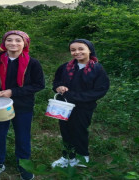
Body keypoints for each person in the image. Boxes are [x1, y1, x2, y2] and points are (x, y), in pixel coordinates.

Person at [0, 30, 45, 180]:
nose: (13, 43)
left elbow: (39, 84)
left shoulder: (32, 63)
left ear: (25, 43)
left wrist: (12, 92)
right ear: (4, 43)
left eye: (18, 40)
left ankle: (23, 166)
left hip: (23, 105)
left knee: (22, 136)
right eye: (9, 40)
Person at [51, 39, 109, 168]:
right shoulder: (65, 67)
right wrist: (59, 87)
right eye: (73, 50)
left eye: (81, 49)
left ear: (89, 50)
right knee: (65, 130)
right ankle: (67, 156)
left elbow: (100, 90)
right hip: (64, 106)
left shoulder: (97, 69)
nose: (77, 52)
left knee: (80, 130)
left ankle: (82, 157)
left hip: (84, 107)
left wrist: (75, 96)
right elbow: (56, 82)